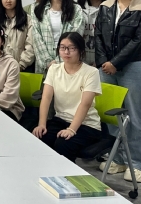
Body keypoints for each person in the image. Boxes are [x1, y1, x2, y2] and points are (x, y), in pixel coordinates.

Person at [95, 0, 141, 183]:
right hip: (106, 68)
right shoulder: (106, 7)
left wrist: (115, 63)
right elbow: (98, 36)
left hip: (133, 68)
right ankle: (118, 158)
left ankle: (138, 163)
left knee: (136, 117)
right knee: (112, 116)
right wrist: (104, 62)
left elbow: (139, 41)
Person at [33, 32, 102, 163]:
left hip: (87, 125)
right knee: (40, 137)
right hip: (61, 119)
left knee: (63, 144)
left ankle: (65, 175)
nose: (66, 52)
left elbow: (85, 104)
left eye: (71, 48)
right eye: (62, 47)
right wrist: (42, 124)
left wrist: (71, 129)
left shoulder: (91, 72)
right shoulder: (54, 69)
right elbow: (46, 98)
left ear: (80, 50)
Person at [31, 0, 84, 74]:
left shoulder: (75, 9)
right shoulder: (37, 9)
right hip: (44, 66)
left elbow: (75, 36)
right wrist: (48, 62)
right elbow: (36, 37)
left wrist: (60, 62)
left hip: (68, 62)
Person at [0, 0, 34, 71]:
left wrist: (21, 64)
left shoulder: (27, 19)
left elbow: (30, 45)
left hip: (21, 67)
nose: (8, 1)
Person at [77, 0, 113, 66]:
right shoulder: (78, 11)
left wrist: (101, 61)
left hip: (103, 62)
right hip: (80, 60)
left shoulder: (111, 10)